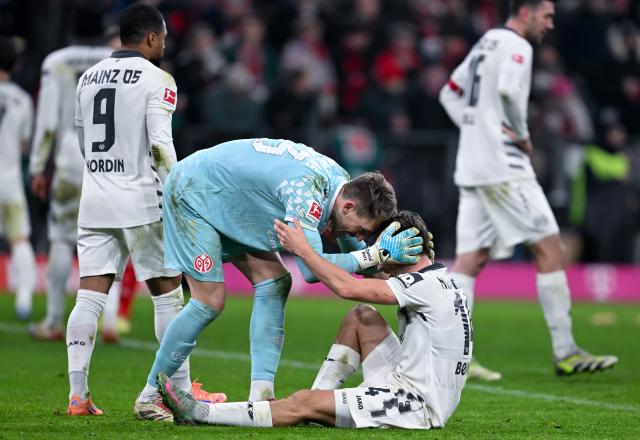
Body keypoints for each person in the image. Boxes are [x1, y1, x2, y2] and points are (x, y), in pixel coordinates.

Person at [136, 138, 406, 420]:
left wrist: (398, 263)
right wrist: (375, 255)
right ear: (348, 207)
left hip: (230, 198)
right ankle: (151, 395)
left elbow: (363, 260)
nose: (360, 237)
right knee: (209, 300)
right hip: (194, 193)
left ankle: (261, 397)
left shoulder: (339, 183)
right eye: (362, 230)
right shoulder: (306, 193)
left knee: (275, 281)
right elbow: (313, 270)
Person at [157, 211, 471, 430]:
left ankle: (201, 412)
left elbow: (348, 287)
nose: (380, 256)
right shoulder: (441, 279)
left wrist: (304, 251)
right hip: (419, 384)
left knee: (303, 401)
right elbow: (367, 284)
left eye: (384, 248)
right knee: (362, 317)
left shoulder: (424, 286)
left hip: (413, 404)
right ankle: (318, 407)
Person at [439, 0, 617, 379]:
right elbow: (507, 92)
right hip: (505, 166)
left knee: (470, 259)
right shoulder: (518, 46)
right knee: (551, 248)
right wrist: (521, 136)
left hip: (471, 165)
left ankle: (456, 356)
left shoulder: (487, 40)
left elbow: (449, 93)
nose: (550, 24)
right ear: (525, 12)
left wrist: (475, 130)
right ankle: (566, 351)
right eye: (546, 15)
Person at [67, 3, 223, 416]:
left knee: (89, 295)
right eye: (164, 38)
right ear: (152, 38)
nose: (165, 45)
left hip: (95, 198)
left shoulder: (88, 78)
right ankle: (179, 392)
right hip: (141, 201)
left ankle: (78, 397)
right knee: (168, 297)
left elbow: (82, 142)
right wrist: (177, 197)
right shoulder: (158, 79)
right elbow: (160, 145)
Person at [28, 6, 117, 342]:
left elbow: (48, 120)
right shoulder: (118, 63)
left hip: (69, 157)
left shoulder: (57, 62)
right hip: (111, 161)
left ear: (72, 30)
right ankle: (109, 322)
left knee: (62, 237)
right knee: (112, 239)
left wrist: (38, 166)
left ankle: (52, 319)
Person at [0, 37, 36, 320]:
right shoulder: (22, 100)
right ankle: (24, 298)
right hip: (9, 181)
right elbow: (25, 145)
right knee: (19, 239)